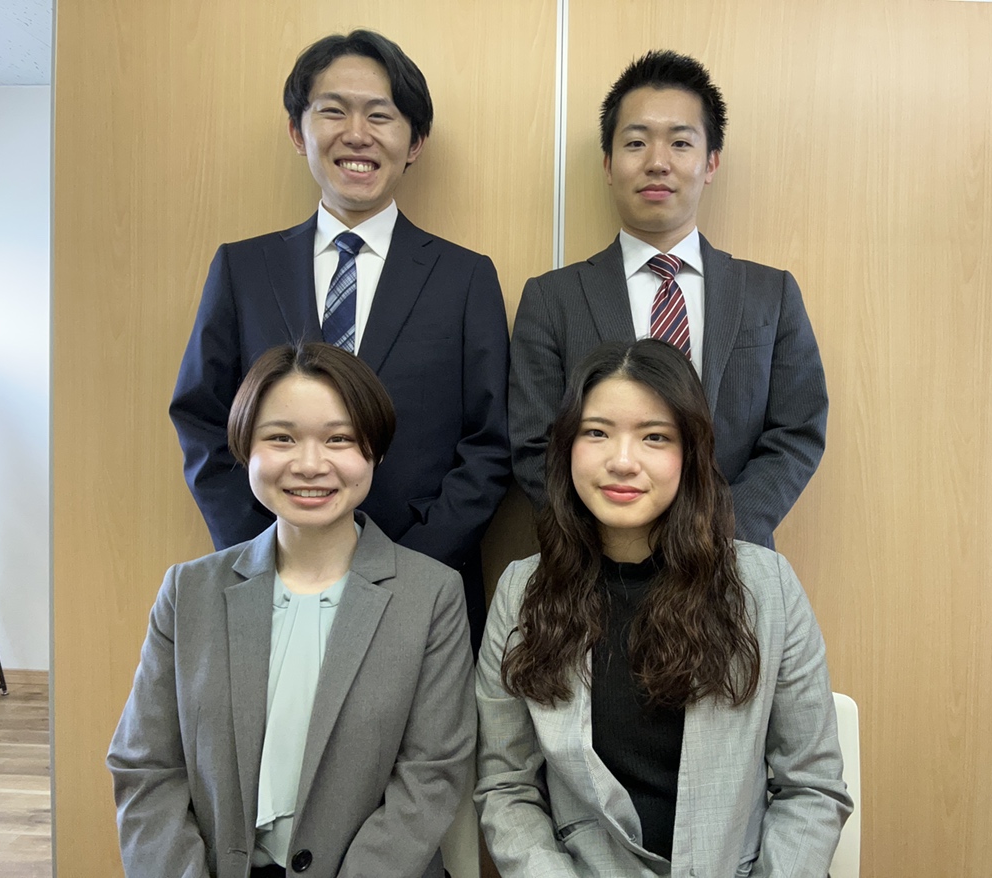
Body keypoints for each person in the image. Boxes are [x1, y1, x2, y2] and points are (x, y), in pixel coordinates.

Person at [170, 29, 510, 649]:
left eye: (380, 115)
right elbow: (201, 419)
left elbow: (490, 442)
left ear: (415, 142)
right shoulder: (243, 269)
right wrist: (264, 550)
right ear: (298, 132)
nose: (357, 133)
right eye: (333, 111)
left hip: (423, 587)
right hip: (271, 583)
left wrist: (409, 569)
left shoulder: (466, 277)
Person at [476, 339, 850, 877]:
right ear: (566, 448)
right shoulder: (522, 594)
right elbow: (506, 787)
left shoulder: (766, 587)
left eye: (654, 437)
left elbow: (811, 787)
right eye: (596, 433)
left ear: (690, 454)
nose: (622, 461)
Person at [110, 342, 475, 878]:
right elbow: (146, 767)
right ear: (245, 448)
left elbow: (432, 775)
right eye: (281, 438)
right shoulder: (188, 591)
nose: (309, 464)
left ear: (374, 452)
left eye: (339, 438)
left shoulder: (432, 595)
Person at [509, 50, 827, 550]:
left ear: (710, 162)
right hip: (595, 566)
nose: (657, 162)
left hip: (731, 559)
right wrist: (616, 541)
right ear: (609, 164)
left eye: (680, 142)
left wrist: (719, 534)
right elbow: (534, 444)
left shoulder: (771, 294)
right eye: (636, 143)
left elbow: (798, 429)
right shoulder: (552, 299)